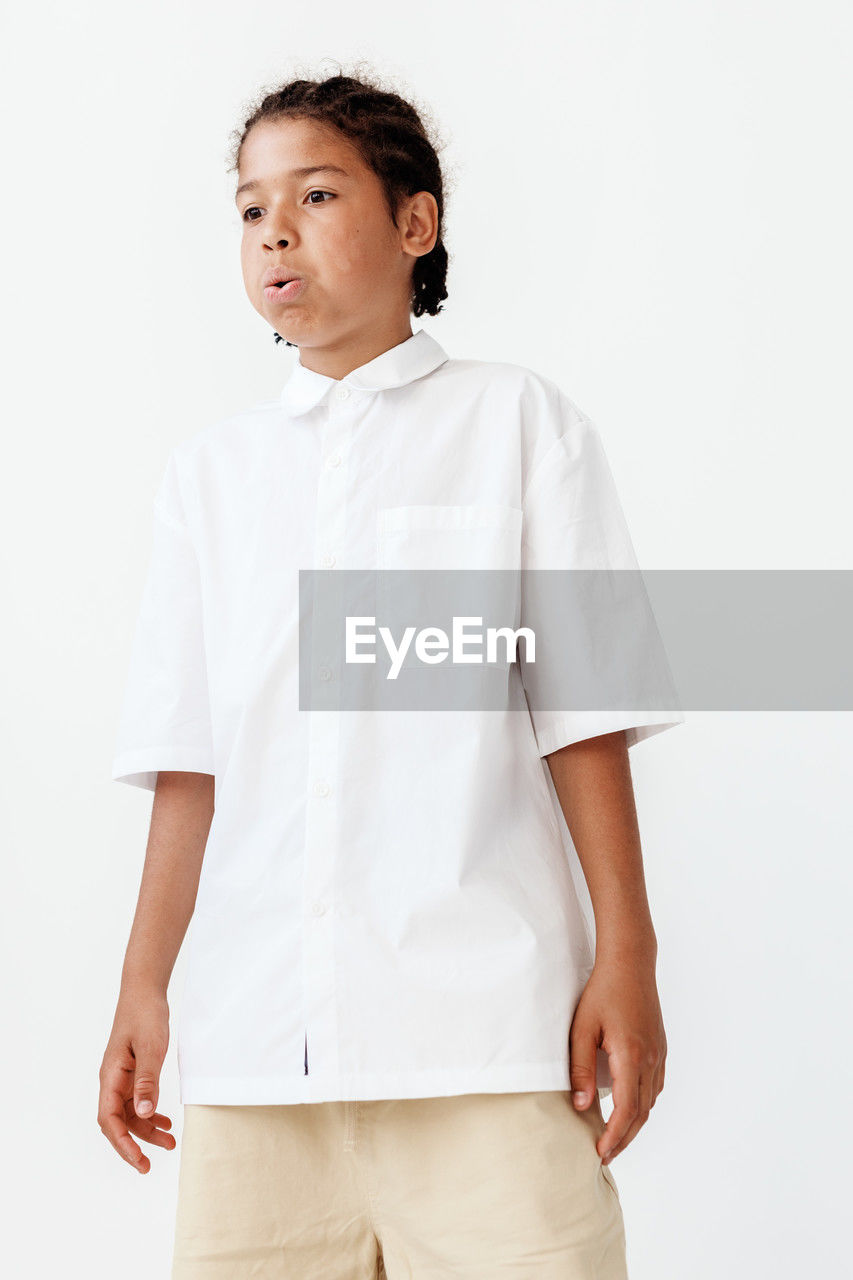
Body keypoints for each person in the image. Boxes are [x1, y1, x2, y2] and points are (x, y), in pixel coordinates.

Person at [99, 67, 683, 1279]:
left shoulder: (518, 424)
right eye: (253, 208)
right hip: (258, 1053)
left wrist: (628, 951)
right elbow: (189, 761)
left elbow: (584, 712)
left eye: (315, 194)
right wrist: (143, 985)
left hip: (485, 1039)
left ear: (415, 224)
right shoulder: (210, 480)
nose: (276, 232)